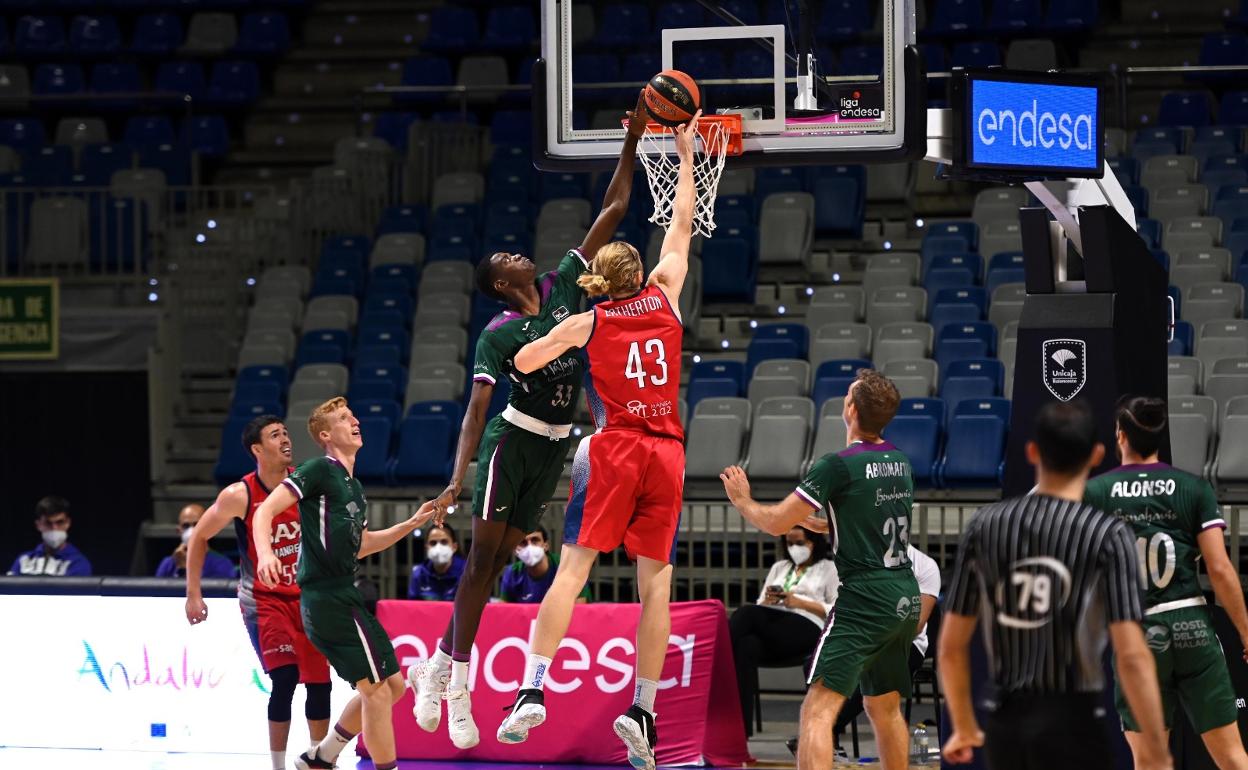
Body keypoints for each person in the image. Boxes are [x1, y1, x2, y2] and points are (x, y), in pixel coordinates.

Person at [407, 93, 650, 751]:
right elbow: (475, 410)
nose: (518, 255)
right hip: (509, 441)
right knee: (480, 560)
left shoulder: (568, 281)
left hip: (553, 448)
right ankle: (453, 685)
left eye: (519, 253)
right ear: (498, 282)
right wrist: (457, 480)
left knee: (494, 567)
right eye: (506, 258)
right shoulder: (497, 331)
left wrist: (632, 141)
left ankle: (438, 665)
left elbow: (616, 208)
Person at [493, 112, 700, 770]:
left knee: (574, 570)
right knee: (656, 589)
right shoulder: (666, 295)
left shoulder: (588, 320)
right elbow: (682, 225)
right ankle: (641, 707)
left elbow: (522, 362)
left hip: (613, 449)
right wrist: (688, 155)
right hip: (667, 453)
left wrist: (544, 341)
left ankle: (531, 689)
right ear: (637, 272)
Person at [940, 400, 1171, 770]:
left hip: (1005, 723)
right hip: (1074, 720)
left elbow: (951, 646)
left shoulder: (984, 526)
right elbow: (1131, 655)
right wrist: (1158, 750)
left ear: (1032, 451)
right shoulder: (1108, 534)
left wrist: (964, 725)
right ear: (1097, 456)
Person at [719, 368, 922, 770]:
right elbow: (866, 518)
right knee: (884, 709)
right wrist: (824, 523)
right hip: (902, 594)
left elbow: (778, 522)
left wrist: (743, 501)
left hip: (863, 597)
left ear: (850, 409)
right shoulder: (900, 462)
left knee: (817, 712)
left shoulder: (837, 465)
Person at [251, 398, 437, 770]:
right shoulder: (319, 469)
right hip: (325, 597)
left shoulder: (353, 486)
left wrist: (411, 524)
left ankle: (322, 756)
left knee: (394, 687)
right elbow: (266, 511)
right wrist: (267, 554)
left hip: (344, 594)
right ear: (325, 435)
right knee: (377, 693)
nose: (354, 421)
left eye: (353, 416)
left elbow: (362, 545)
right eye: (343, 418)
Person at [1083, 396, 1248, 770]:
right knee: (1234, 758)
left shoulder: (1095, 493)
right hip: (1191, 625)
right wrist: (1246, 631)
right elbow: (1220, 570)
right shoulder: (1193, 487)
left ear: (1120, 436)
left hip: (1137, 633)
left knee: (1150, 762)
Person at [183, 415, 332, 770]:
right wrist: (193, 593)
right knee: (285, 678)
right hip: (264, 600)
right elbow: (200, 537)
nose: (285, 440)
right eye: (275, 435)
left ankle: (317, 760)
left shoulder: (305, 484)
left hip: (308, 597)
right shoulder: (240, 494)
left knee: (320, 684)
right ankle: (278, 766)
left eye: (286, 433)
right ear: (257, 449)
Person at [729, 526, 837, 737]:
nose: (794, 548)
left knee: (746, 614)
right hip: (774, 625)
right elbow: (761, 601)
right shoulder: (780, 567)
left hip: (807, 627)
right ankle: (740, 729)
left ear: (814, 543)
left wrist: (798, 602)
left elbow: (835, 608)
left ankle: (717, 664)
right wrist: (768, 600)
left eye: (799, 543)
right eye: (789, 543)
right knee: (745, 646)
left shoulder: (829, 568)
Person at [500, 527, 591, 604]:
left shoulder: (566, 567)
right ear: (516, 549)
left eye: (535, 540)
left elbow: (580, 609)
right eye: (523, 542)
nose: (529, 546)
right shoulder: (512, 573)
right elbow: (503, 611)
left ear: (545, 545)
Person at [8, 495, 92, 576]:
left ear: (68, 523)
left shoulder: (78, 562)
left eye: (60, 522)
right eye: (48, 523)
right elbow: (8, 589)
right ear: (38, 525)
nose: (54, 528)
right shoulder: (23, 560)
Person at [157, 503, 235, 579]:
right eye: (186, 526)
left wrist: (186, 568)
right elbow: (157, 591)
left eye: (197, 524)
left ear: (207, 528)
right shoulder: (167, 564)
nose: (191, 530)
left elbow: (206, 591)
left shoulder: (222, 564)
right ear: (178, 531)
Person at [408, 523, 465, 601]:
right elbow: (413, 608)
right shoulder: (419, 574)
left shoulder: (466, 573)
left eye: (444, 542)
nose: (438, 547)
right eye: (433, 543)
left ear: (454, 547)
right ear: (427, 547)